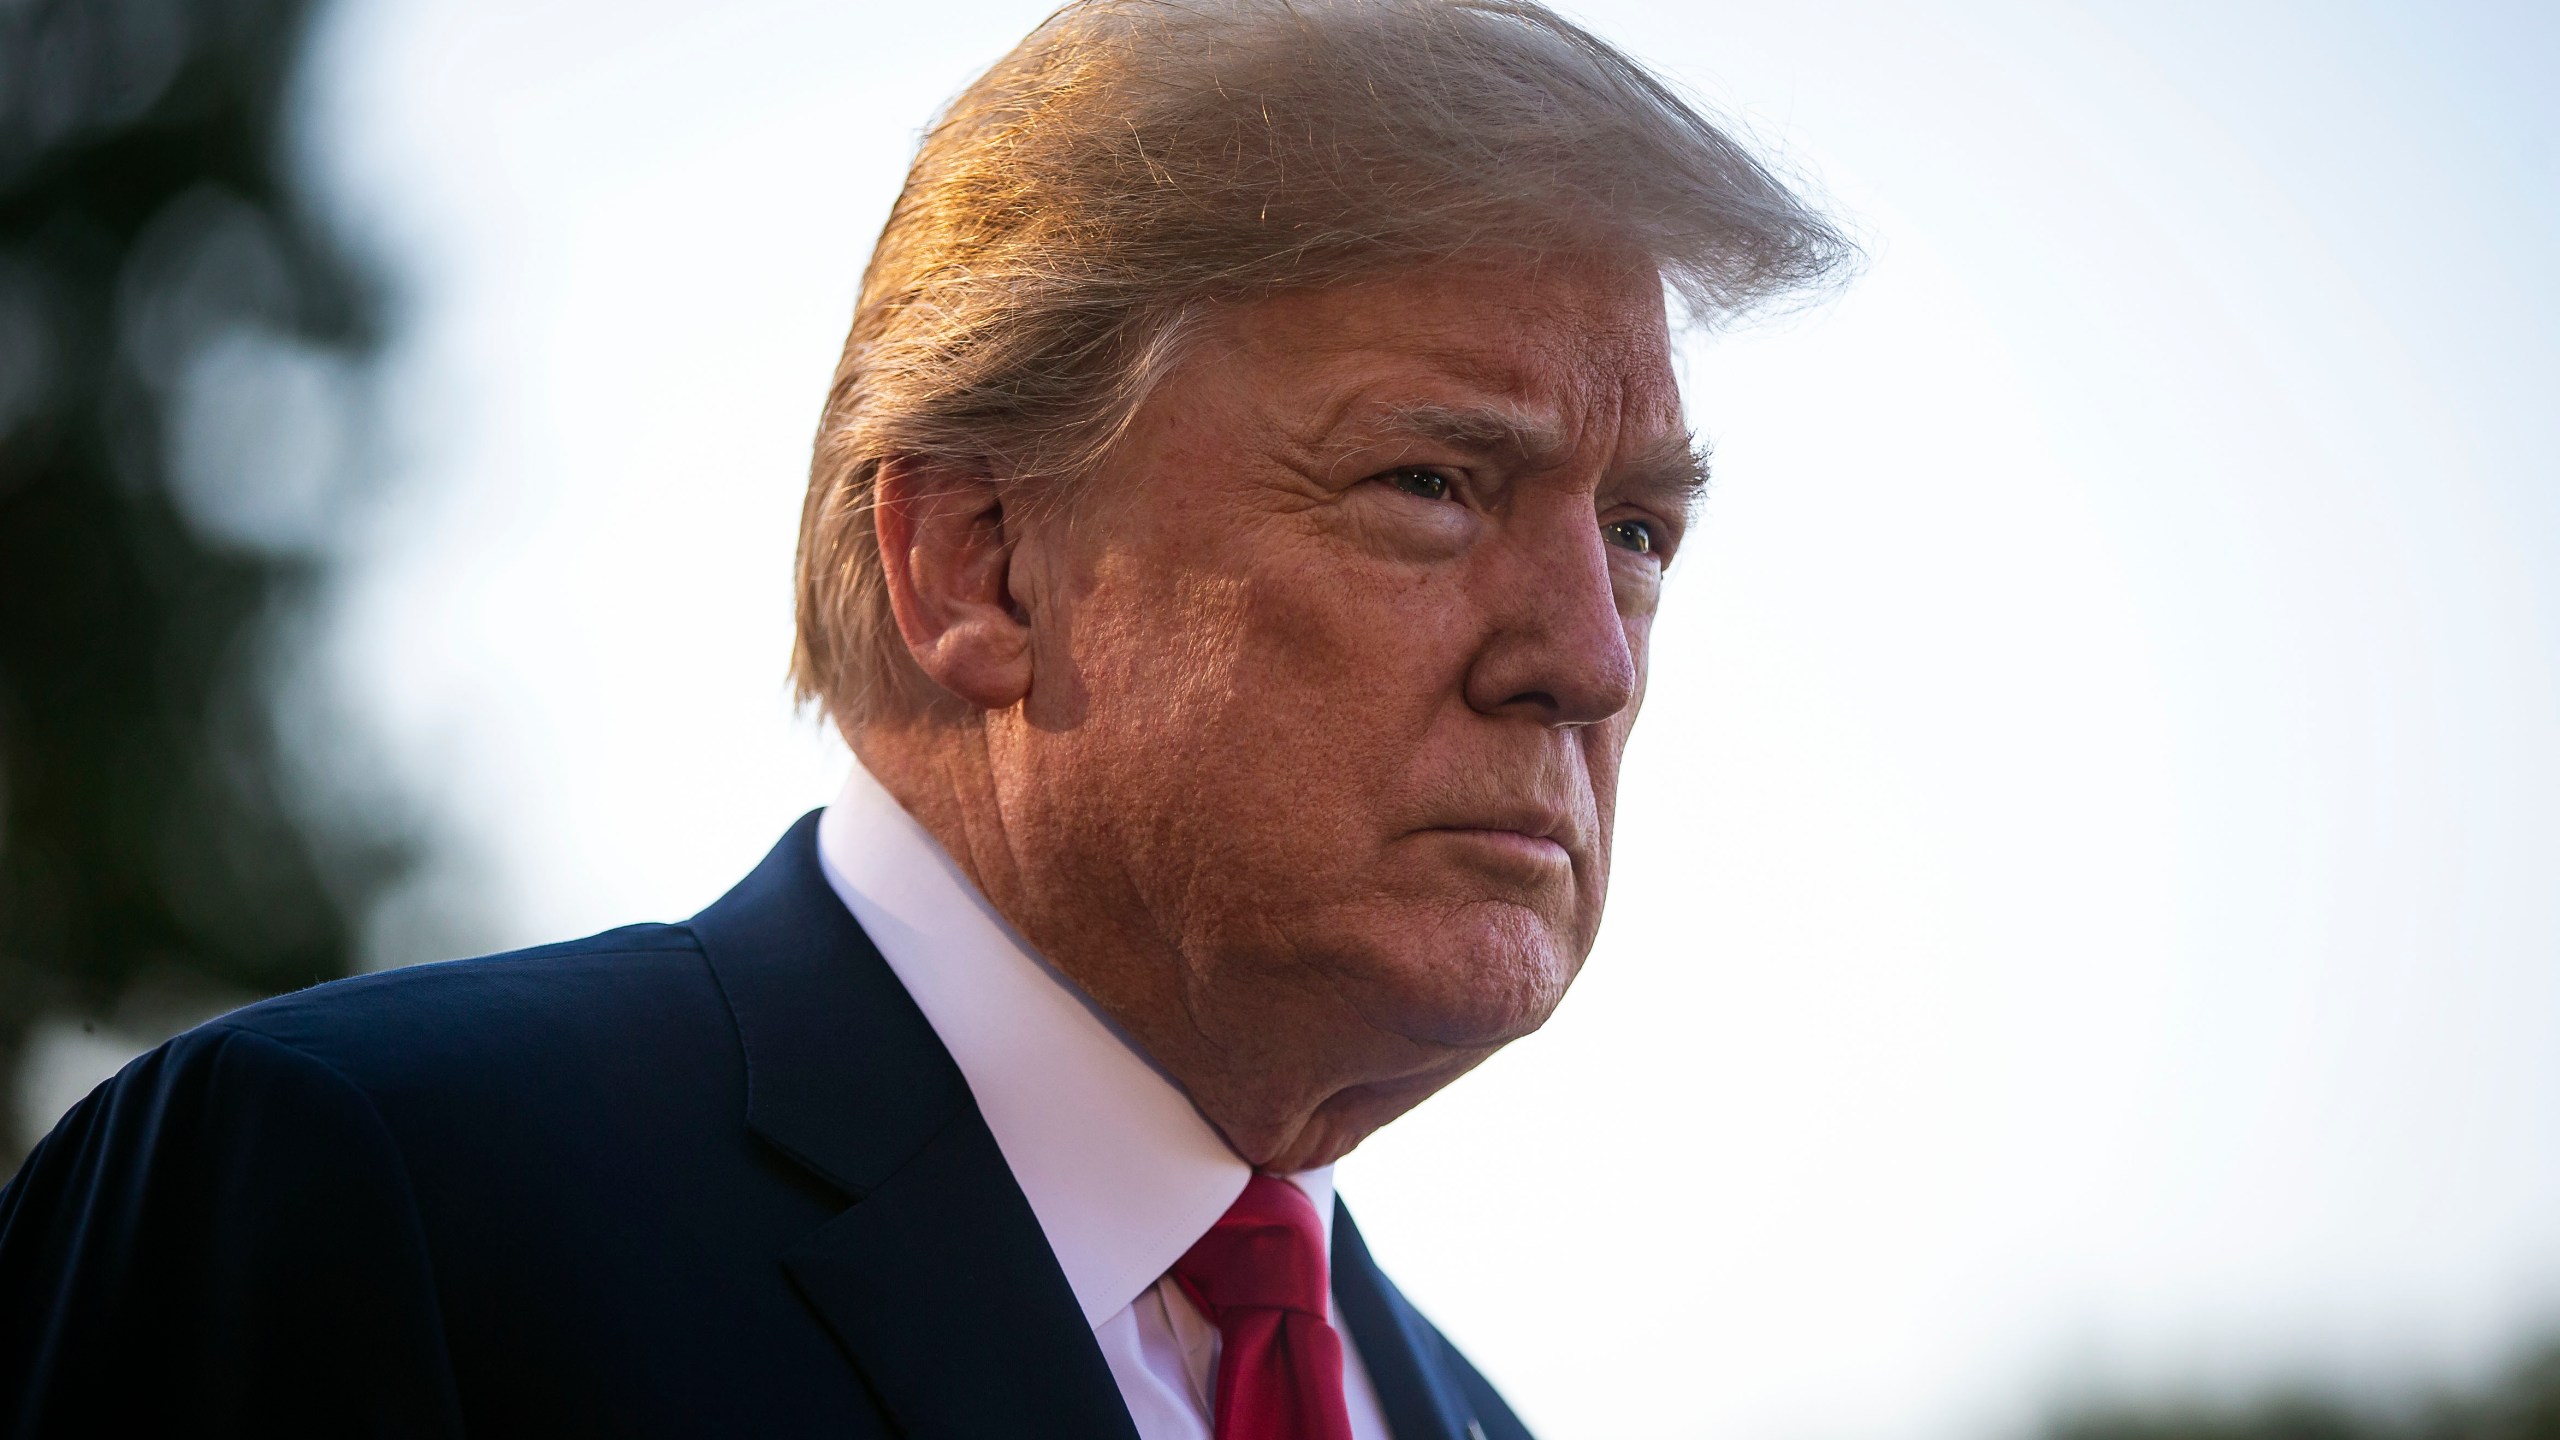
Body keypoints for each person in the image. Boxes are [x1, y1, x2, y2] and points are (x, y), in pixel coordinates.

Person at [0, 0, 1848, 1434]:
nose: (1591, 658)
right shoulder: (366, 1197)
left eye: (1637, 531)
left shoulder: (1469, 1421)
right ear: (979, 564)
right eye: (1436, 482)